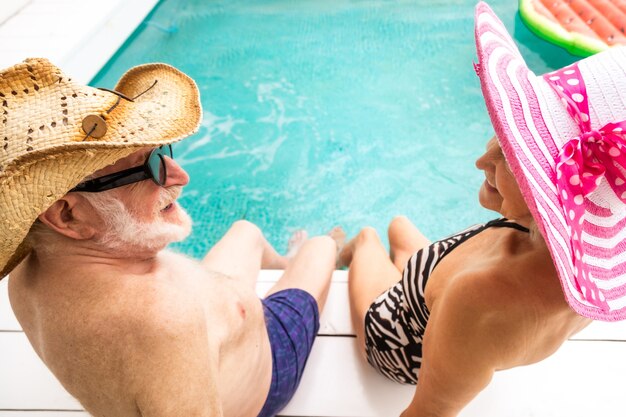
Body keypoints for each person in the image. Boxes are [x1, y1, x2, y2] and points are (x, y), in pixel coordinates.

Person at [1, 58, 340, 417]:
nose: (178, 176)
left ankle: (285, 259)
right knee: (322, 245)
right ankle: (318, 250)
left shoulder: (28, 274)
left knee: (247, 231)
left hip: (219, 335)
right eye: (148, 167)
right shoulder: (163, 322)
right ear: (67, 214)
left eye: (162, 153)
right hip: (268, 364)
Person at [339, 2, 626, 416]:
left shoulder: (480, 300)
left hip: (396, 340)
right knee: (401, 227)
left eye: (514, 154)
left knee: (368, 237)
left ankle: (339, 249)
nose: (483, 159)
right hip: (435, 295)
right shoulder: (579, 279)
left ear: (553, 190)